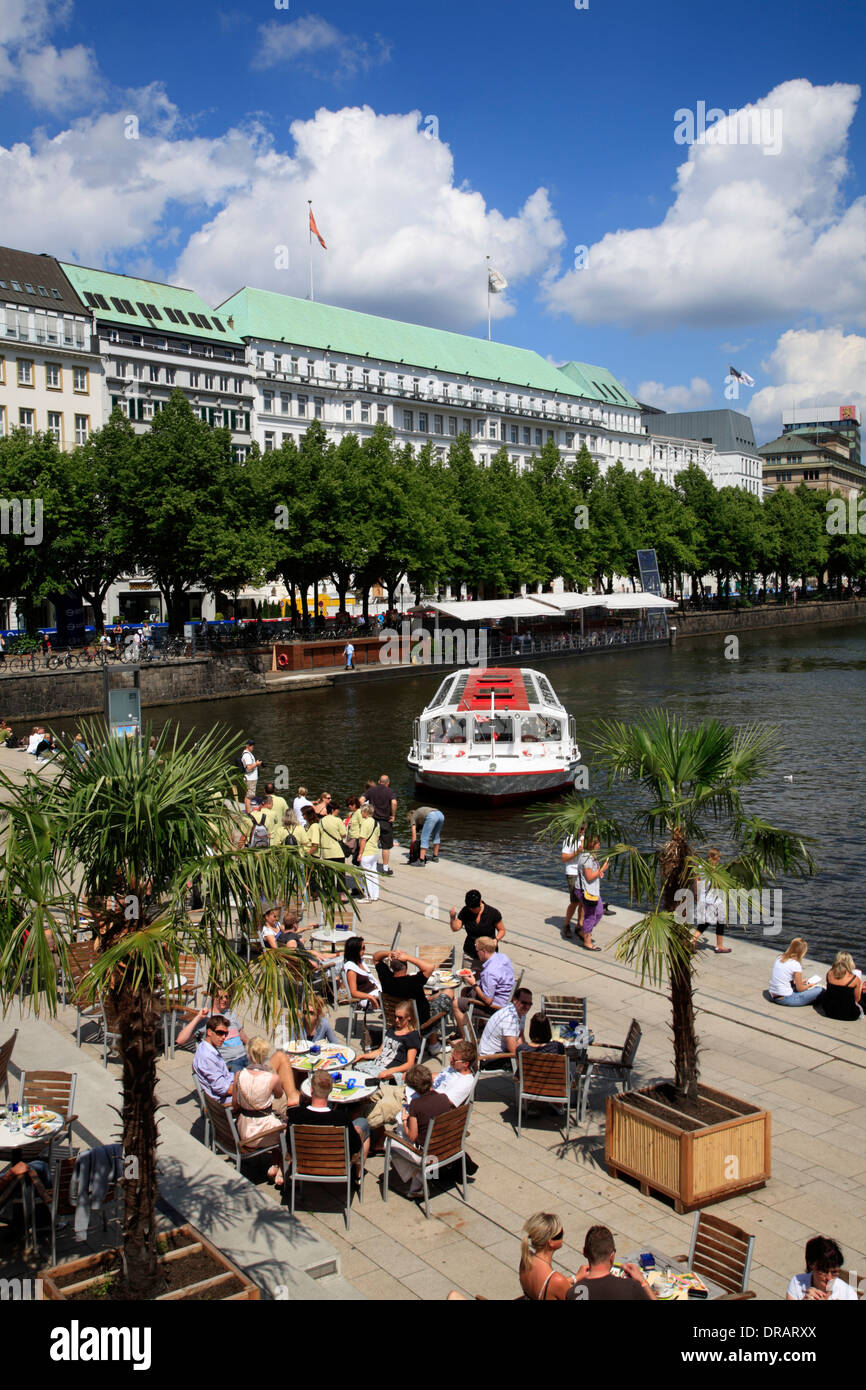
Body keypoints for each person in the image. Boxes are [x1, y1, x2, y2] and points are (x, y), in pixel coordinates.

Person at [282, 1068, 370, 1182]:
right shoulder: (341, 1118)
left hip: (305, 1163)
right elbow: (355, 1147)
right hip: (336, 1164)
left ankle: (298, 1182)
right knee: (363, 1123)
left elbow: (289, 1142)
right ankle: (357, 1175)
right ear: (330, 1090)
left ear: (311, 1090)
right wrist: (357, 1132)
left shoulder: (295, 1115)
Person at [387, 1063, 454, 1198]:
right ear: (431, 1080)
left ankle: (419, 1179)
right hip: (447, 1146)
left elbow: (412, 1136)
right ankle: (428, 1179)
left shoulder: (416, 1105)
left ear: (413, 1088)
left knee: (389, 1144)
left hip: (428, 1153)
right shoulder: (444, 1098)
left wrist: (405, 1120)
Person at [234, 1037, 296, 1151]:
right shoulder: (272, 1078)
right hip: (262, 1132)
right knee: (287, 1131)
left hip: (244, 1129)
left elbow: (235, 1104)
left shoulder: (238, 1075)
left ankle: (275, 1165)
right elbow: (278, 1095)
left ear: (248, 1054)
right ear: (265, 1055)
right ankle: (279, 1166)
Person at [566, 1225, 657, 1301]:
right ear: (612, 1256)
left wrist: (575, 1278)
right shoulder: (630, 1287)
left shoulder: (573, 1293)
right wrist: (643, 1282)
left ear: (584, 1252)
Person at [373, 947, 455, 1030]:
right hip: (420, 1023)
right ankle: (434, 1041)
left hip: (397, 1020)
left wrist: (390, 953)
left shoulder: (385, 978)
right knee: (449, 992)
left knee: (432, 997)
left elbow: (376, 958)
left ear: (392, 966)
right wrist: (408, 957)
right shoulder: (413, 981)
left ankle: (432, 1040)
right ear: (406, 966)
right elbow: (430, 967)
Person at [177, 987, 249, 1073]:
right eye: (221, 997)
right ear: (213, 997)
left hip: (246, 1056)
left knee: (266, 1075)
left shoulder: (230, 1013)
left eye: (226, 997)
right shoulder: (206, 1019)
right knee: (251, 1082)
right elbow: (180, 1040)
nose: (225, 999)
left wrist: (254, 1048)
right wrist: (198, 1017)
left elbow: (242, 1035)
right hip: (229, 1063)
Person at [452, 937, 515, 1034]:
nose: (476, 953)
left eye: (477, 951)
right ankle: (470, 1027)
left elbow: (488, 1001)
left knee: (455, 1003)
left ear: (484, 951)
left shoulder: (489, 972)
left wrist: (474, 984)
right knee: (465, 991)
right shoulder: (503, 957)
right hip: (505, 1000)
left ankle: (465, 1037)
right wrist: (480, 972)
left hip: (495, 1007)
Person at [353, 1004, 420, 1080]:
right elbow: (380, 1051)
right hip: (376, 1065)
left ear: (409, 1018)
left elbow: (410, 1064)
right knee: (354, 1069)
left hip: (389, 1071)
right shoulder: (392, 1029)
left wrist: (390, 1071)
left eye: (400, 1018)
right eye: (395, 1017)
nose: (396, 1020)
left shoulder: (412, 1036)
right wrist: (362, 1056)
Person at [519, 1214, 576, 1301]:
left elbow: (551, 1288)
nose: (563, 1233)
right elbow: (556, 1285)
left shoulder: (525, 1260)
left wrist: (575, 1278)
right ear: (551, 1242)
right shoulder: (556, 1279)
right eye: (560, 1234)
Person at [786, 1236, 858, 1300]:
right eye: (824, 1271)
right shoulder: (797, 1283)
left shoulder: (848, 1295)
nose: (829, 1278)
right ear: (811, 1264)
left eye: (834, 1272)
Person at [449, 890, 505, 965]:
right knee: (466, 975)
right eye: (470, 908)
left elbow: (502, 930)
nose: (472, 910)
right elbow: (456, 928)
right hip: (470, 953)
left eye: (475, 908)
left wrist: (496, 939)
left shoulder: (493, 913)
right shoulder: (466, 911)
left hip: (488, 955)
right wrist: (452, 918)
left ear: (480, 902)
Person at [690, 848, 729, 954]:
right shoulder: (714, 869)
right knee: (716, 921)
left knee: (710, 921)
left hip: (704, 898)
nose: (719, 859)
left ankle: (717, 945)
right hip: (713, 899)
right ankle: (694, 940)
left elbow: (696, 880)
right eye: (718, 857)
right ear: (712, 857)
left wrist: (696, 894)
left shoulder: (700, 866)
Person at [192, 1014, 238, 1105]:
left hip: (225, 1092)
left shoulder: (206, 1048)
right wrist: (247, 1089)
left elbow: (224, 1077)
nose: (224, 1037)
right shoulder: (207, 1057)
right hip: (223, 1104)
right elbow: (224, 1089)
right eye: (220, 1033)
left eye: (226, 1033)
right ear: (209, 1032)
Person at [478, 988, 533, 1059]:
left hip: (500, 1053)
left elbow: (520, 1037)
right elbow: (512, 1050)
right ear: (515, 1000)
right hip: (489, 1058)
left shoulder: (520, 1013)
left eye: (530, 1004)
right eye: (524, 1003)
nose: (527, 1007)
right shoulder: (509, 1018)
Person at [768, 938, 824, 1006]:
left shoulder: (779, 957)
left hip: (773, 994)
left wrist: (801, 982)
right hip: (786, 998)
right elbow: (800, 989)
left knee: (807, 989)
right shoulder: (796, 965)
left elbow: (786, 978)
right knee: (820, 990)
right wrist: (809, 985)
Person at [575, 837, 608, 951]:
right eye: (598, 843)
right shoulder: (586, 857)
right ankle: (587, 942)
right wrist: (602, 869)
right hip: (586, 891)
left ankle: (584, 930)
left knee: (599, 913)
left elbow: (594, 870)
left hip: (593, 891)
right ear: (592, 845)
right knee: (591, 915)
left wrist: (600, 871)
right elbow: (589, 877)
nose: (600, 845)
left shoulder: (593, 855)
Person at [367, 774, 397, 876]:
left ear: (379, 781)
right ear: (388, 783)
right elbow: (394, 803)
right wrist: (393, 815)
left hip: (373, 821)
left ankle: (371, 864)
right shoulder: (390, 792)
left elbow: (361, 800)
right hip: (385, 822)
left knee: (372, 843)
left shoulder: (372, 790)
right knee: (385, 846)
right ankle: (385, 868)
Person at [821, 952, 863, 1020]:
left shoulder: (829, 973)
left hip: (829, 1011)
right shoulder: (854, 979)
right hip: (849, 1014)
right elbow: (857, 999)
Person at [561, 825, 585, 937]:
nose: (582, 831)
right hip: (573, 873)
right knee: (575, 901)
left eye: (584, 829)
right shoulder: (569, 839)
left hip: (584, 873)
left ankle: (579, 926)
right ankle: (566, 925)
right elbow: (564, 858)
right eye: (581, 829)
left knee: (584, 902)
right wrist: (577, 852)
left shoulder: (585, 838)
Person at [356, 801, 381, 901]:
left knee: (366, 875)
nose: (361, 813)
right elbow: (378, 837)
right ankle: (375, 895)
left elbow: (363, 839)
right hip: (374, 851)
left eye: (362, 811)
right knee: (374, 873)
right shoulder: (376, 822)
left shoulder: (365, 823)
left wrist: (360, 853)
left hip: (366, 852)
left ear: (366, 812)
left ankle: (367, 896)